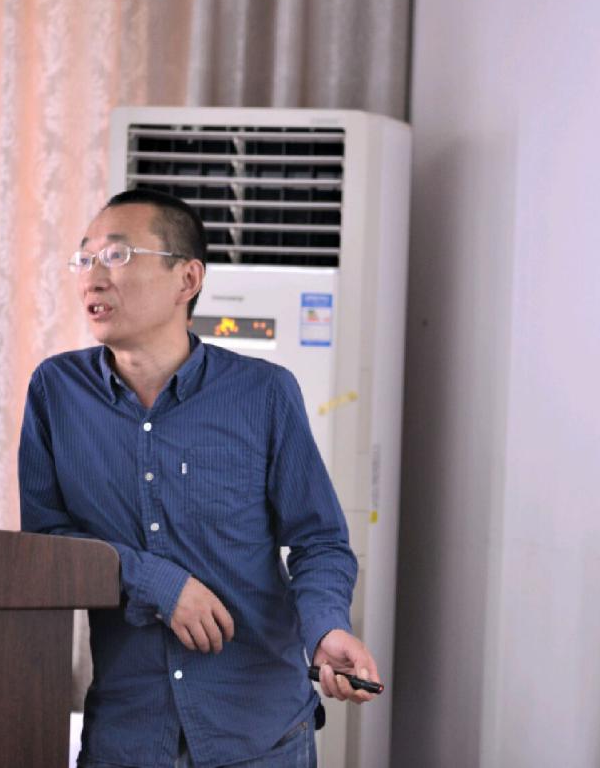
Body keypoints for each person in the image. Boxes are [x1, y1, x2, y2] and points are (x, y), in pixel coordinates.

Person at [19, 188, 379, 768]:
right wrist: (155, 582)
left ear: (186, 279)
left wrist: (326, 630)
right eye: (83, 259)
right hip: (128, 735)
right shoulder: (56, 392)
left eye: (116, 256)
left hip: (259, 733)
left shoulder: (264, 393)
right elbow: (46, 544)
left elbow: (319, 541)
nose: (92, 278)